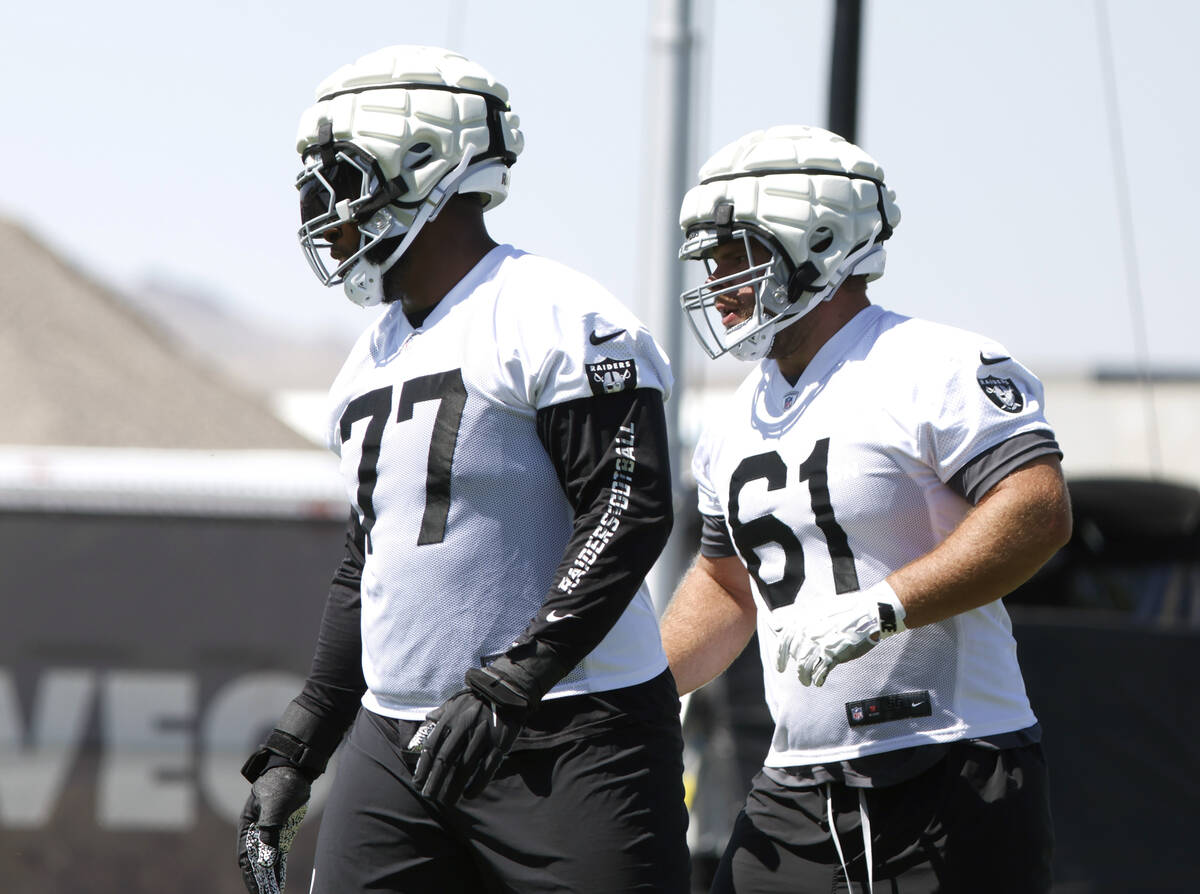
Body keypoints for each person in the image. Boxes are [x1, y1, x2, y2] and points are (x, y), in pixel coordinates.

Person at [236, 45, 689, 894]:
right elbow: (369, 566)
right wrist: (304, 741)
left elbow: (629, 505)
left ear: (424, 167)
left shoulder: (555, 312)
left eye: (339, 181)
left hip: (570, 733)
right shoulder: (368, 357)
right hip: (398, 740)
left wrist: (511, 681)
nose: (320, 212)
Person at [659, 125, 1070, 893]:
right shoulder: (730, 419)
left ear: (816, 240)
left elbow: (1036, 508)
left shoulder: (935, 364)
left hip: (952, 762)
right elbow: (725, 586)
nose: (717, 280)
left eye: (733, 252)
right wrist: (645, 687)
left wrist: (886, 606)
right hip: (795, 784)